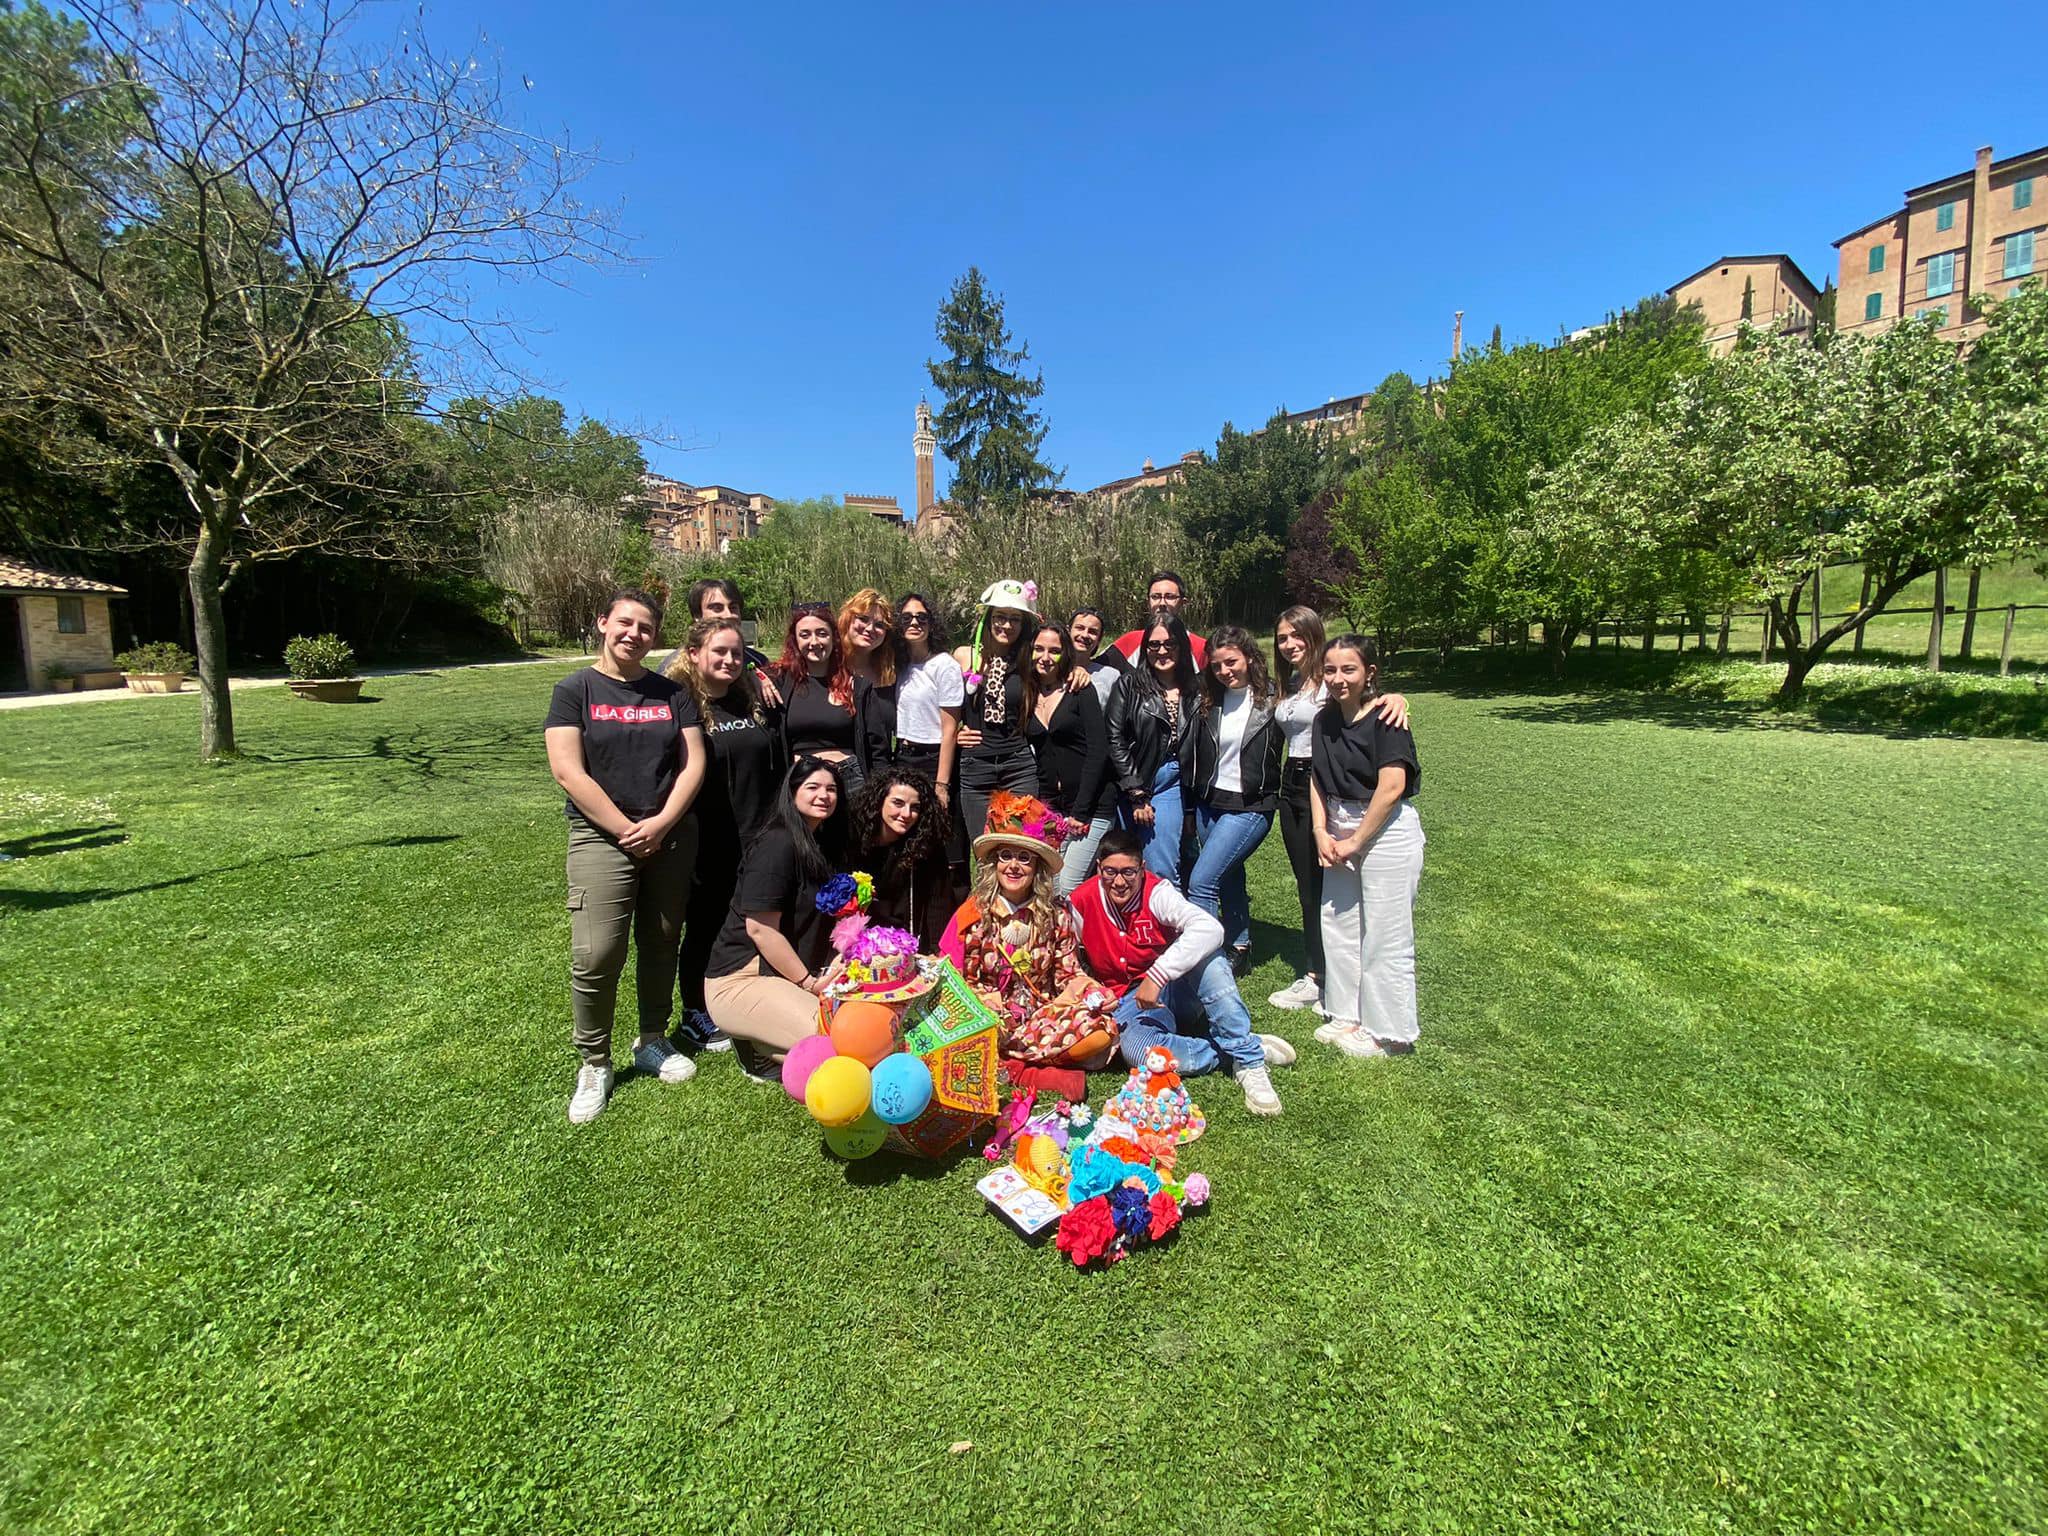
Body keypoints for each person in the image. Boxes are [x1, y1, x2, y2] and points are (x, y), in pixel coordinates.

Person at [544, 588, 708, 1124]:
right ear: (603, 623)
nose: (634, 634)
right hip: (601, 836)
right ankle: (594, 1061)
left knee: (661, 938)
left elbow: (693, 762)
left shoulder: (671, 692)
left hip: (669, 834)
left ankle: (652, 1039)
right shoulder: (575, 690)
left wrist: (661, 823)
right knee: (597, 953)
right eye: (625, 623)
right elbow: (568, 770)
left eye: (645, 627)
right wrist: (624, 828)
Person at [1069, 829, 1295, 1116]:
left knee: (1207, 956)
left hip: (1173, 990)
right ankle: (1233, 1051)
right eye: (1110, 872)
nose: (1119, 882)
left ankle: (1249, 1061)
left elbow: (1210, 928)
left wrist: (1158, 975)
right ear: (1099, 868)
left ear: (1142, 868)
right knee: (1137, 1052)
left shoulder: (1157, 892)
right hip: (1127, 1004)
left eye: (1129, 872)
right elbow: (1068, 958)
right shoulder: (1082, 900)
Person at [664, 615, 786, 1050]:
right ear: (693, 654)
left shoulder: (749, 697)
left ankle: (749, 996)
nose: (730, 660)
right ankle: (695, 1011)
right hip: (709, 836)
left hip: (761, 830)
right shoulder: (680, 704)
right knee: (706, 923)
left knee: (756, 919)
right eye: (719, 651)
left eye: (737, 652)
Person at [938, 792, 1117, 1082]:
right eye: (1006, 856)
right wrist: (985, 1002)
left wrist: (1090, 991)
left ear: (1037, 869)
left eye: (1024, 858)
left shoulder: (1055, 915)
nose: (1014, 866)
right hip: (987, 1017)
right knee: (969, 1029)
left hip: (1041, 1017)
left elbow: (1068, 973)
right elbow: (955, 981)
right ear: (994, 864)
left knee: (1099, 1029)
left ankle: (1009, 1060)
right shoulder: (972, 914)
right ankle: (1037, 1060)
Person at [1310, 634, 1425, 1058]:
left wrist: (1357, 840)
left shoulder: (1387, 719)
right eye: (1330, 670)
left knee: (1384, 932)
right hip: (1337, 826)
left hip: (1384, 831)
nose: (1338, 678)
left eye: (1349, 669)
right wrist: (1321, 831)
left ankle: (1388, 1033)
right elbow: (1316, 778)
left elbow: (1392, 785)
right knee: (1338, 922)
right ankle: (1347, 1013)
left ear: (1369, 672)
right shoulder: (1324, 720)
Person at [703, 756, 851, 1071]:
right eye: (812, 787)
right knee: (841, 1041)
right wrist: (809, 983)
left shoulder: (820, 843)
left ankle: (765, 1040)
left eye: (831, 789)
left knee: (862, 1027)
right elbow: (761, 930)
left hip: (785, 975)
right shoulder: (777, 844)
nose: (824, 795)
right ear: (792, 792)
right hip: (742, 980)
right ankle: (757, 1049)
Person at [1183, 624, 1284, 977]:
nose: (1225, 671)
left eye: (1231, 662)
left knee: (1202, 881)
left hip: (1251, 805)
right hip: (1210, 803)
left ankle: (1205, 965)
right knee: (1228, 875)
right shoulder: (1208, 698)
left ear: (1250, 657)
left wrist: (1390, 698)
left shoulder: (1275, 697)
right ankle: (1239, 946)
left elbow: (1320, 698)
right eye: (1216, 666)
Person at [1021, 619, 1114, 897]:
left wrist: (1081, 812)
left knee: (1069, 888)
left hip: (1091, 806)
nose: (1045, 657)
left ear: (1065, 654)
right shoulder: (1027, 692)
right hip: (1052, 807)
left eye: (1054, 651)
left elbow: (1098, 750)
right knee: (1048, 887)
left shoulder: (1079, 689)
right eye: (1039, 649)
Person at [1105, 609, 1199, 883]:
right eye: (1154, 645)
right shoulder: (1128, 685)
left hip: (1172, 780)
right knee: (1122, 867)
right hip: (1133, 778)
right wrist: (1136, 792)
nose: (1162, 651)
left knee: (1160, 868)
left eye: (1170, 644)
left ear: (1182, 645)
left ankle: (1163, 911)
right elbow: (1115, 738)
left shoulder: (1196, 689)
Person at [951, 579, 1041, 844]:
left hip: (1018, 764)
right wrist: (955, 732)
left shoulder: (1030, 660)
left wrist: (1079, 669)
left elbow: (1062, 667)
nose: (1007, 625)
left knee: (1021, 846)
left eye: (1015, 619)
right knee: (985, 848)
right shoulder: (965, 656)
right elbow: (941, 707)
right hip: (976, 766)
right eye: (1000, 617)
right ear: (988, 619)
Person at [772, 601, 884, 796]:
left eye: (822, 633)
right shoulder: (780, 683)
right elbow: (744, 670)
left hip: (848, 781)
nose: (814, 642)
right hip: (800, 780)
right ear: (795, 641)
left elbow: (877, 748)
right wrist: (758, 676)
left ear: (834, 638)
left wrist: (880, 792)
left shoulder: (857, 686)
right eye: (805, 635)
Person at [890, 592, 962, 858]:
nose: (914, 622)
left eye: (922, 617)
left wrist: (941, 785)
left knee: (941, 845)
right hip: (903, 757)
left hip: (934, 760)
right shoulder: (898, 665)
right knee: (907, 843)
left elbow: (950, 729)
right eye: (907, 617)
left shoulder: (944, 665)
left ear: (932, 623)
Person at [852, 766, 953, 952]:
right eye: (897, 803)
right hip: (858, 942)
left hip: (904, 944)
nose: (906, 814)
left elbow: (939, 903)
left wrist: (937, 951)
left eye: (915, 808)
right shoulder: (853, 842)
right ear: (879, 802)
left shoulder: (925, 846)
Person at [683, 577, 780, 705]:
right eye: (717, 608)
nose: (728, 615)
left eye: (733, 608)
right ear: (697, 616)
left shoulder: (757, 660)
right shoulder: (676, 668)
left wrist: (753, 671)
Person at [838, 588, 898, 755]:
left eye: (879, 625)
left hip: (881, 765)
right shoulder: (828, 666)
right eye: (863, 619)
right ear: (847, 620)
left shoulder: (891, 674)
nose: (870, 628)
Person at [1110, 570, 1208, 668]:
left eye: (1170, 597)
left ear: (1183, 603)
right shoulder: (1129, 643)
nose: (1162, 603)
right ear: (1148, 602)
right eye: (1155, 597)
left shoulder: (1201, 648)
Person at [1068, 606, 1130, 707]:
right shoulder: (1052, 669)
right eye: (1080, 628)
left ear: (1099, 640)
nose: (1085, 635)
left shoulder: (1111, 676)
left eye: (1092, 632)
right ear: (1068, 631)